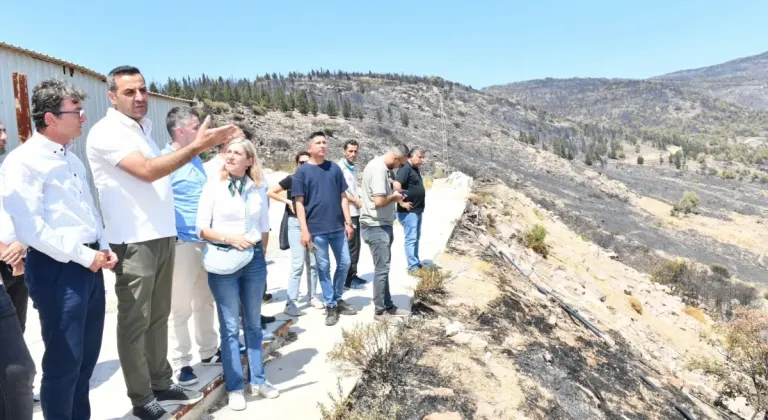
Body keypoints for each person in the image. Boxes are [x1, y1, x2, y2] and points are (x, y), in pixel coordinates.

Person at [86, 66, 238, 420]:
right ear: (112, 96)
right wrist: (198, 146)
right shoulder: (107, 132)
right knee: (135, 320)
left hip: (160, 234)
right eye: (129, 92)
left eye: (142, 90)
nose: (139, 97)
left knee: (158, 316)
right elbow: (149, 171)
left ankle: (160, 380)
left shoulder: (144, 130)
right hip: (134, 240)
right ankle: (141, 398)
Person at [1, 79, 117, 420]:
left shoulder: (71, 159)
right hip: (58, 271)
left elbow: (87, 210)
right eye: (76, 111)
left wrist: (104, 247)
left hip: (90, 266)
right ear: (50, 117)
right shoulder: (24, 162)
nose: (83, 117)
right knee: (64, 365)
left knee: (85, 363)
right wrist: (85, 255)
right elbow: (30, 229)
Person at [196, 139, 279, 411]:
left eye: (237, 153)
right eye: (228, 152)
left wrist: (262, 256)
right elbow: (201, 229)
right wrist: (229, 238)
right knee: (230, 328)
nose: (230, 156)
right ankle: (234, 387)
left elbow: (264, 225)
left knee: (254, 325)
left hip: (253, 260)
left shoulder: (257, 189)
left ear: (249, 160)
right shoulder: (213, 187)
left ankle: (258, 379)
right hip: (223, 261)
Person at [162, 107, 220, 386]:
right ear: (181, 131)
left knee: (205, 300)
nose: (203, 132)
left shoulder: (196, 159)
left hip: (203, 241)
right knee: (180, 307)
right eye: (197, 127)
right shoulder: (165, 161)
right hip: (181, 244)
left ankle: (208, 351)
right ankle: (182, 362)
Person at [292, 131, 357, 326]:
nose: (322, 146)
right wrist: (304, 230)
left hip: (338, 228)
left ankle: (337, 298)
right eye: (318, 143)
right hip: (317, 230)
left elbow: (343, 197)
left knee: (345, 263)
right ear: (309, 147)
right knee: (323, 267)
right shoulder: (302, 173)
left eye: (324, 142)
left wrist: (348, 222)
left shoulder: (334, 169)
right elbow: (299, 203)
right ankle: (330, 304)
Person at [360, 143, 413, 322]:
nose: (400, 167)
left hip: (382, 225)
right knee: (381, 270)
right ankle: (379, 311)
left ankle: (388, 305)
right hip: (376, 226)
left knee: (384, 268)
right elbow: (379, 201)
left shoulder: (383, 169)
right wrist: (396, 197)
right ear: (395, 158)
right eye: (401, 163)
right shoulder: (378, 169)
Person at [267, 151, 323, 315]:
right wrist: (287, 201)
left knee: (313, 262)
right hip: (295, 225)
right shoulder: (291, 179)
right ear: (296, 164)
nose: (304, 165)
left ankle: (312, 296)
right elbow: (270, 192)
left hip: (312, 225)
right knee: (298, 264)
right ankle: (291, 303)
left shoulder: (315, 179)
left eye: (307, 162)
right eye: (301, 163)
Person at [0, 119, 27, 330]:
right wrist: (8, 254)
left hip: (16, 260)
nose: (4, 137)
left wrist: (21, 245)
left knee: (17, 329)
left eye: (3, 130)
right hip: (8, 259)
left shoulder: (5, 171)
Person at [338, 140, 366, 290]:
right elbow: (339, 191)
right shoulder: (340, 168)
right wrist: (354, 199)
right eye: (350, 151)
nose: (353, 154)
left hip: (355, 210)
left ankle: (353, 274)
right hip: (347, 212)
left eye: (355, 151)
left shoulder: (352, 168)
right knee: (351, 246)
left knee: (356, 245)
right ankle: (348, 279)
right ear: (344, 151)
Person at [393, 147, 426, 273]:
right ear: (411, 156)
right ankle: (412, 267)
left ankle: (415, 262)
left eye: (422, 157)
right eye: (419, 157)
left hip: (417, 210)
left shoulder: (415, 169)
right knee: (411, 238)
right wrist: (402, 202)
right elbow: (396, 186)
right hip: (408, 212)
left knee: (416, 237)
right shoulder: (405, 168)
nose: (421, 159)